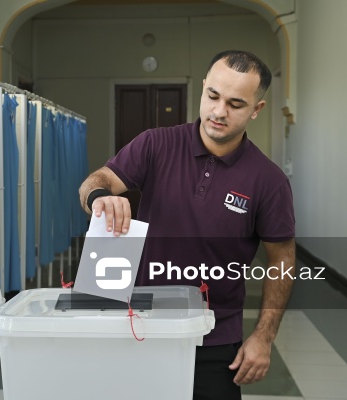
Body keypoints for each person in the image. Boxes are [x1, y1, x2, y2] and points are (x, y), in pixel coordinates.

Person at [79, 50, 295, 400]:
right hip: (140, 327)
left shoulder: (268, 181)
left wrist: (263, 336)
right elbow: (96, 180)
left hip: (215, 338)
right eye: (213, 96)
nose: (219, 111)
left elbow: (282, 259)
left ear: (256, 109)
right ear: (203, 91)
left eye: (236, 104)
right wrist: (100, 196)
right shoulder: (155, 144)